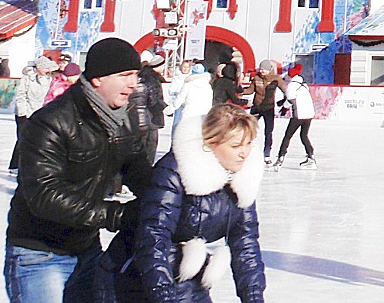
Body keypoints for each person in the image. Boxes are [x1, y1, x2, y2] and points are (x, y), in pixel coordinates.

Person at [4, 37, 152, 303]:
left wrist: (175, 195)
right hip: (39, 253)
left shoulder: (122, 120)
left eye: (136, 76)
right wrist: (116, 215)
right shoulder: (51, 122)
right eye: (125, 75)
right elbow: (44, 195)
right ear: (98, 78)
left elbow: (141, 174)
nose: (133, 84)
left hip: (87, 249)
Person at [108, 102, 267, 302]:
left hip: (190, 278)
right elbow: (153, 237)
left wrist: (254, 297)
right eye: (235, 146)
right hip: (137, 279)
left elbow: (246, 244)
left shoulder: (241, 179)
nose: (244, 153)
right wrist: (163, 296)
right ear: (211, 143)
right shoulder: (175, 171)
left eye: (248, 143)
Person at [10, 56, 56, 172]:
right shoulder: (27, 79)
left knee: (37, 141)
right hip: (25, 113)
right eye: (46, 68)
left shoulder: (49, 80)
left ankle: (32, 165)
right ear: (39, 68)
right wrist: (23, 113)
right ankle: (15, 165)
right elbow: (21, 95)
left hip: (40, 113)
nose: (48, 70)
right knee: (23, 139)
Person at [274, 66, 316, 168]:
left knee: (287, 136)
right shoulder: (303, 84)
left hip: (299, 115)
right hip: (309, 114)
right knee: (304, 136)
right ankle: (311, 158)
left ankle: (280, 159)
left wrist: (283, 107)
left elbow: (290, 100)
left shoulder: (292, 86)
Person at [129, 50, 168, 157]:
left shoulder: (141, 75)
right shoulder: (153, 78)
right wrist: (164, 107)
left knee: (140, 147)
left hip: (139, 116)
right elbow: (153, 99)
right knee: (149, 148)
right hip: (151, 117)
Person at [249, 61, 283, 159]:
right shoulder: (256, 78)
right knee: (249, 128)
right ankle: (248, 149)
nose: (261, 71)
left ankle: (267, 154)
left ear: (269, 70)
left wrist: (286, 101)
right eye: (260, 69)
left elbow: (285, 89)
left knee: (268, 131)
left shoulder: (276, 78)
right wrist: (240, 91)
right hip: (256, 107)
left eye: (263, 69)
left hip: (268, 108)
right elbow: (251, 90)